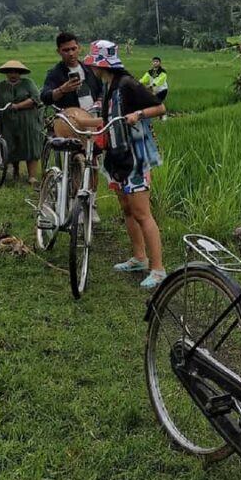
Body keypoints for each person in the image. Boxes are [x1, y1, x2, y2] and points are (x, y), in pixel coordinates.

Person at [82, 40, 167, 289]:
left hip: (135, 156)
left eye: (94, 63)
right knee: (127, 209)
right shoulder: (109, 87)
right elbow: (105, 118)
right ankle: (139, 258)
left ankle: (158, 268)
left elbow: (160, 107)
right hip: (116, 154)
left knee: (142, 213)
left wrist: (138, 115)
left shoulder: (128, 84)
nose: (92, 68)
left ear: (101, 64)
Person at [41, 32, 102, 112]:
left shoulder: (90, 69)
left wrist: (100, 100)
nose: (71, 53)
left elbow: (102, 89)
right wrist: (62, 89)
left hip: (94, 116)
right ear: (58, 51)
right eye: (66, 50)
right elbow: (45, 98)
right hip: (71, 120)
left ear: (79, 48)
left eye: (73, 49)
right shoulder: (55, 73)